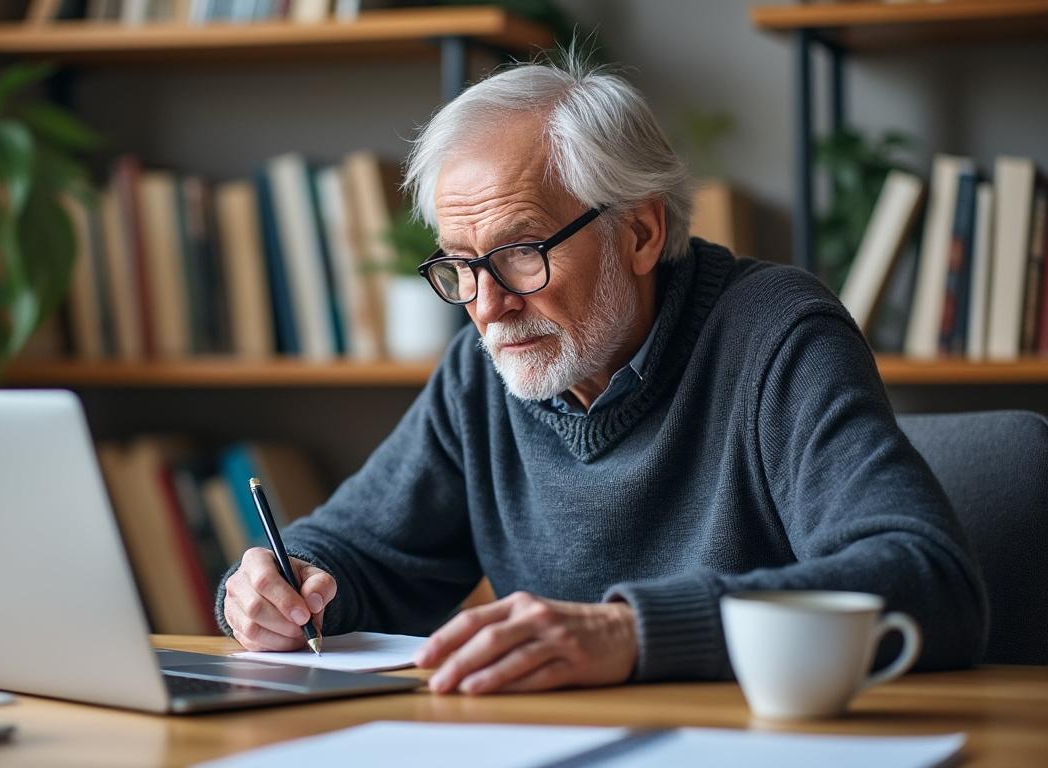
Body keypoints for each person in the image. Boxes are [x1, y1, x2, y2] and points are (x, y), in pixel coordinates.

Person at [215, 57, 987, 695]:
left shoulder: (776, 334)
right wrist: (279, 589)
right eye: (459, 265)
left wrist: (633, 632)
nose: (487, 308)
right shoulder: (482, 375)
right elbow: (361, 553)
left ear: (641, 231)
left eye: (521, 252)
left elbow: (929, 582)